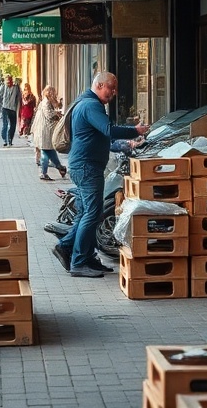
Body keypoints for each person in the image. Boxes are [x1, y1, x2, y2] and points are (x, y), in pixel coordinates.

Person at [52, 72, 148, 277]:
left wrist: (125, 143)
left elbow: (101, 136)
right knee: (93, 213)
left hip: (85, 165)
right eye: (110, 88)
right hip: (87, 167)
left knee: (86, 213)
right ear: (99, 85)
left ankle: (73, 250)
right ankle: (78, 261)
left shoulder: (87, 103)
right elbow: (108, 129)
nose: (113, 93)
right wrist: (135, 130)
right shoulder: (90, 105)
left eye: (114, 89)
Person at [33, 86, 67, 181]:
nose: (55, 95)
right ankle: (44, 173)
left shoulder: (46, 102)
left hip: (47, 131)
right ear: (49, 93)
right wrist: (57, 114)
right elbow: (48, 115)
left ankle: (60, 167)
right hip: (45, 131)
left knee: (50, 150)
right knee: (45, 151)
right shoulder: (45, 102)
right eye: (54, 93)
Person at [0, 75, 21, 147]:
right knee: (5, 124)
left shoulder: (16, 88)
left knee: (13, 125)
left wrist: (18, 107)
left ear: (12, 80)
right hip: (5, 108)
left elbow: (19, 97)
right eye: (7, 80)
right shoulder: (3, 87)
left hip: (13, 109)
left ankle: (10, 139)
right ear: (5, 81)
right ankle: (5, 139)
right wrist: (0, 108)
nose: (9, 82)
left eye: (10, 80)